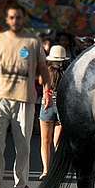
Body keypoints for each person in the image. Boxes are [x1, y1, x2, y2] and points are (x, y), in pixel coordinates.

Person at [0, 5, 48, 188]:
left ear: (24, 19)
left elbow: (43, 67)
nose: (15, 21)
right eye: (11, 17)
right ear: (7, 19)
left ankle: (21, 187)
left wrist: (47, 91)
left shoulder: (32, 41)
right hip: (2, 97)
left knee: (23, 145)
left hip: (24, 98)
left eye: (18, 17)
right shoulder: (0, 39)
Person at [37, 44, 69, 180]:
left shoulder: (46, 71)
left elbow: (40, 82)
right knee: (58, 143)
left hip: (47, 104)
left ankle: (45, 170)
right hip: (61, 105)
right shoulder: (68, 72)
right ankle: (58, 170)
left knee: (45, 141)